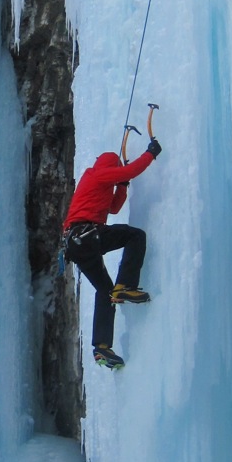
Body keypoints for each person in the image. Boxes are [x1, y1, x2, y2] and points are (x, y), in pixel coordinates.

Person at [62, 135, 162, 369]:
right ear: (109, 166)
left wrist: (123, 186)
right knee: (135, 236)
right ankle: (126, 285)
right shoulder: (97, 174)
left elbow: (114, 207)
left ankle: (102, 348)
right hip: (86, 236)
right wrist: (150, 153)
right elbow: (130, 171)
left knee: (105, 291)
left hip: (77, 244)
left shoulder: (99, 182)